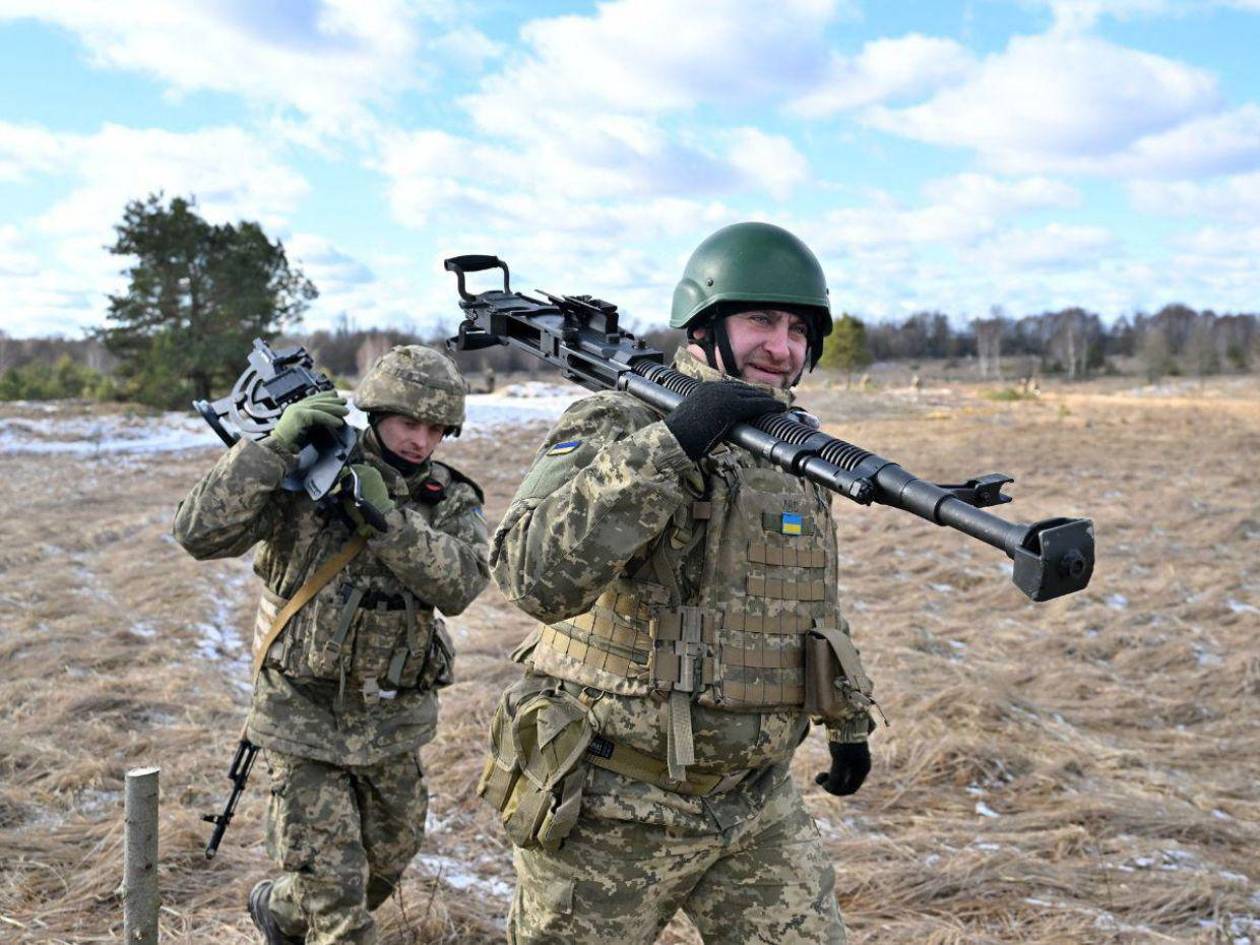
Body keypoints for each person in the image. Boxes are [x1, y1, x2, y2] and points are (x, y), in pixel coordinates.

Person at [481, 222, 877, 944]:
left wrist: (847, 720)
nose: (780, 347)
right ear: (704, 324)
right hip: (610, 805)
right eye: (760, 319)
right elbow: (528, 571)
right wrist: (676, 441)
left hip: (754, 805)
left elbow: (810, 603)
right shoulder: (618, 418)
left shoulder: (789, 448)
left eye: (797, 329)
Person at [173, 345, 490, 945]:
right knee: (340, 914)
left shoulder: (446, 497)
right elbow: (198, 533)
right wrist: (271, 449)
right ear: (375, 414)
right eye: (407, 423)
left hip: (393, 721)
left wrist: (387, 520)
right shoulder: (302, 473)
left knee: (385, 863)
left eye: (434, 429)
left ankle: (280, 909)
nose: (420, 440)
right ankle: (316, 912)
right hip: (301, 714)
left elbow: (462, 584)